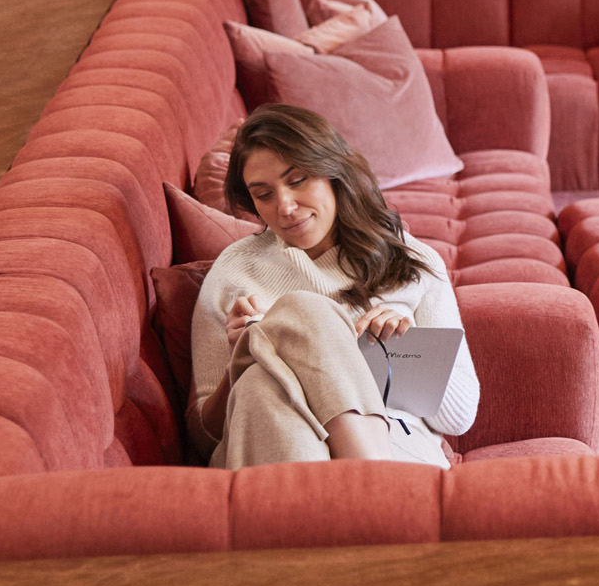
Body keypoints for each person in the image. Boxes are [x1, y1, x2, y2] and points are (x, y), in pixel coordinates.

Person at [189, 103, 476, 469]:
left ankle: (359, 479)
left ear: (334, 173)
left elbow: (459, 417)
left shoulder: (412, 261)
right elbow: (203, 438)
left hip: (396, 447)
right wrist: (242, 358)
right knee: (259, 381)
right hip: (272, 449)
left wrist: (406, 350)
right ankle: (368, 479)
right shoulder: (236, 272)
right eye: (264, 195)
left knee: (299, 313)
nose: (286, 207)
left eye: (297, 181)